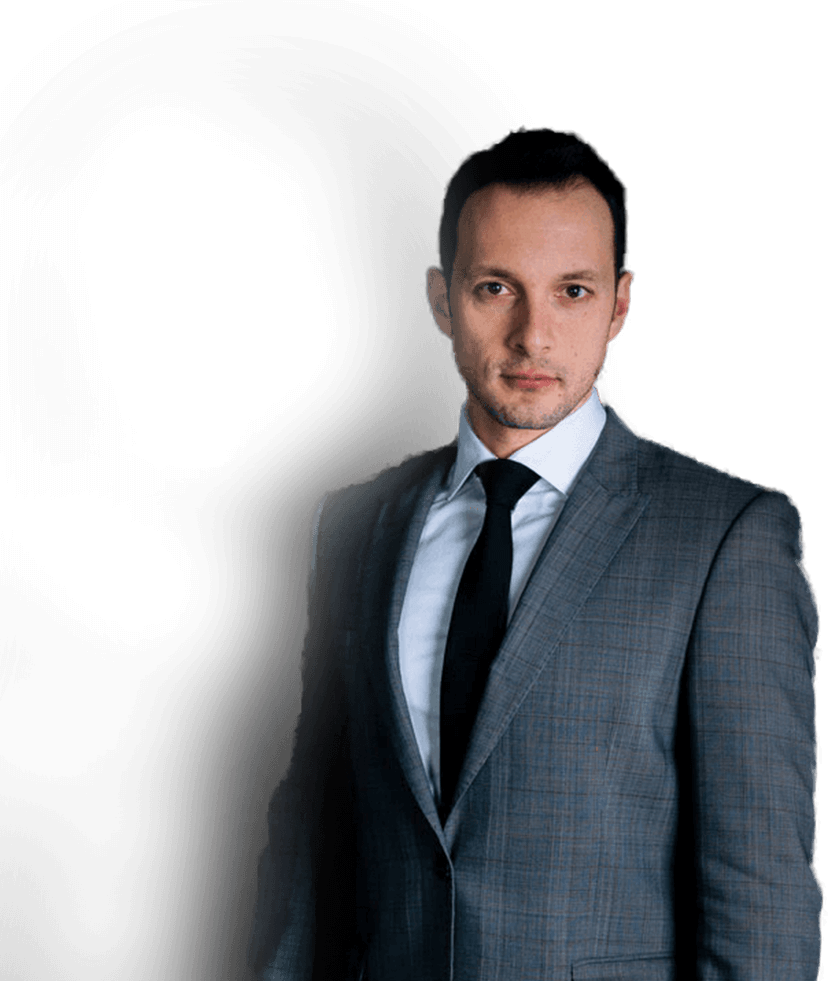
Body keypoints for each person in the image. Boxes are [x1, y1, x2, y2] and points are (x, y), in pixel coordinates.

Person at [242, 130, 819, 980]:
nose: (532, 335)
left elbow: (762, 906)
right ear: (442, 301)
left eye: (572, 291)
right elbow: (306, 841)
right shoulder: (356, 527)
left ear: (619, 306)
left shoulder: (726, 536)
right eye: (495, 288)